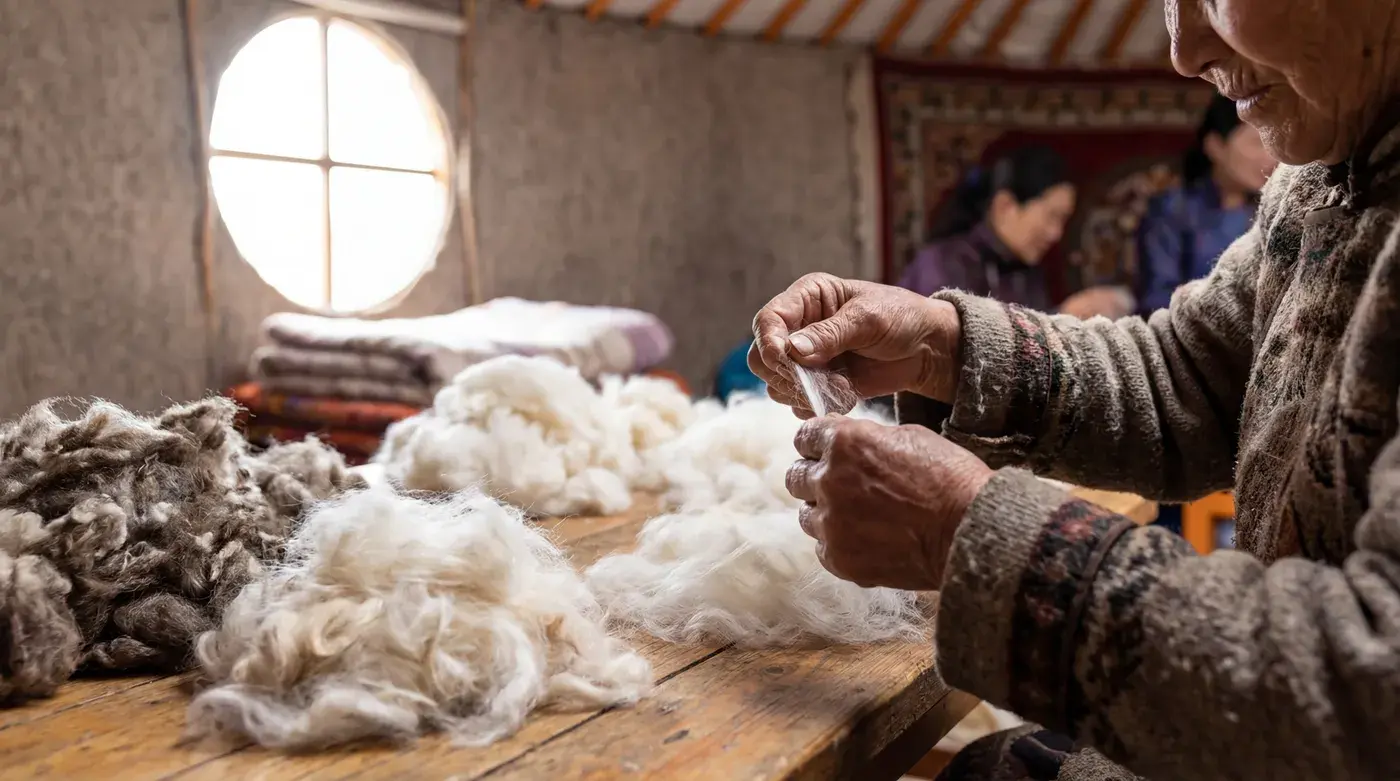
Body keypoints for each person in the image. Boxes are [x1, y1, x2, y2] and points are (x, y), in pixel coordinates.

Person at [747, 0, 1400, 778]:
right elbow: (1188, 373)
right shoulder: (1326, 173)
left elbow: (1371, 691)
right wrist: (940, 345)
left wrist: (969, 534)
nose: (1185, 50)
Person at [900, 146, 1135, 321]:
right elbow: (956, 348)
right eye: (1052, 216)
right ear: (1006, 206)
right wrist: (1061, 317)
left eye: (1063, 221)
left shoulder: (1026, 272)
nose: (1056, 234)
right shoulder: (943, 264)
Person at [1136, 93, 1276, 315]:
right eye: (1257, 142)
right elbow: (1157, 297)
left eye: (1272, 142)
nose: (1270, 158)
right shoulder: (1173, 209)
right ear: (1215, 146)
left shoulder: (1275, 209)